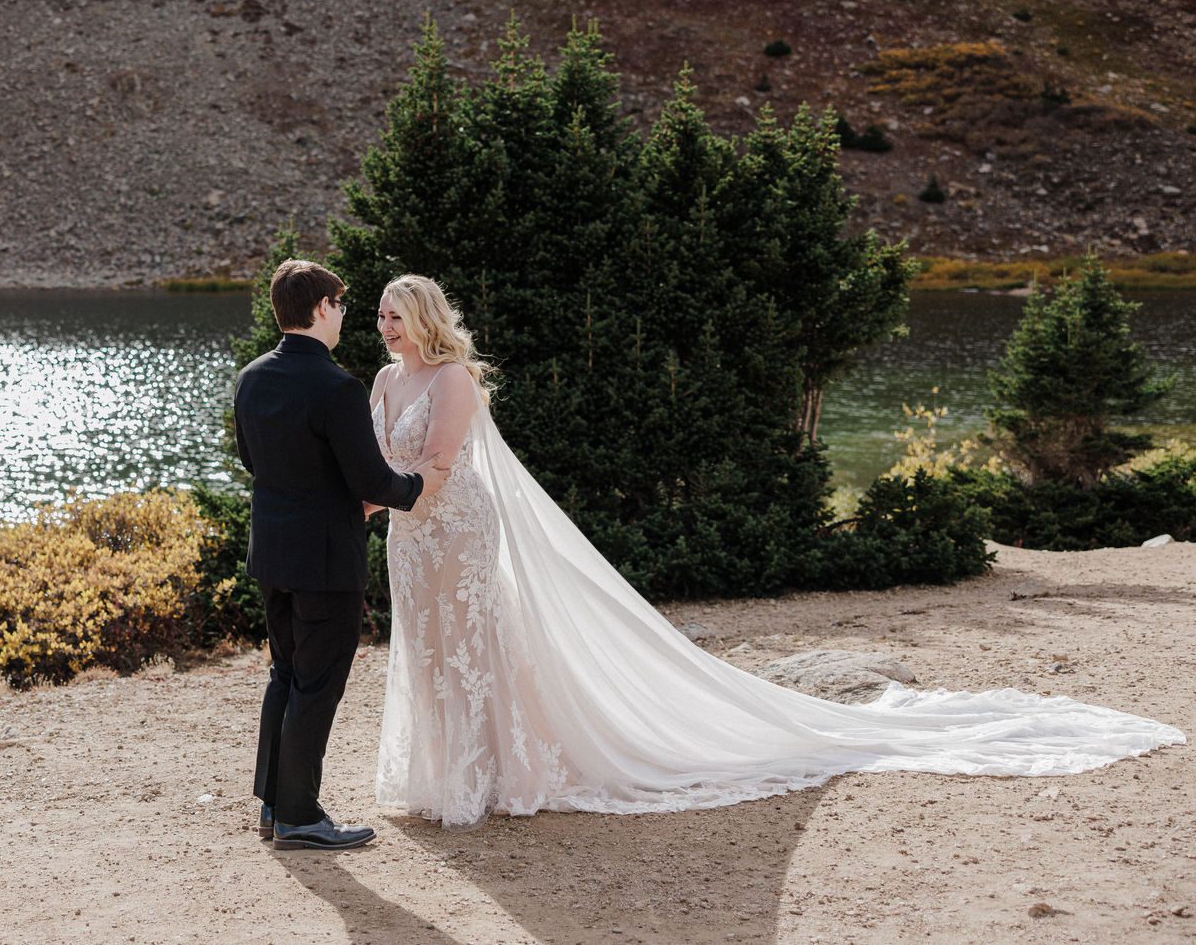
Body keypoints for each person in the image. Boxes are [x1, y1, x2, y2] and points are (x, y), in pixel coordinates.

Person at [367, 273, 1184, 829]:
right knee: (428, 649)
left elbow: (437, 466)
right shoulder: (379, 382)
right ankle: (438, 779)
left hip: (457, 529)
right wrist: (367, 500)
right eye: (378, 312)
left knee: (473, 646)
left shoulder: (452, 381)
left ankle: (484, 782)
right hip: (408, 537)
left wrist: (384, 496)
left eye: (397, 311)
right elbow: (376, 460)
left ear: (428, 317)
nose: (385, 322)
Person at [233, 259, 439, 850]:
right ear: (322, 308)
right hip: (325, 558)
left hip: (272, 554)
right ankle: (300, 815)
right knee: (317, 684)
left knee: (286, 674)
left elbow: (253, 459)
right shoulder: (336, 386)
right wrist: (417, 488)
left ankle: (274, 805)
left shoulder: (252, 376)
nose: (347, 316)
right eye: (343, 305)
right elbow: (371, 477)